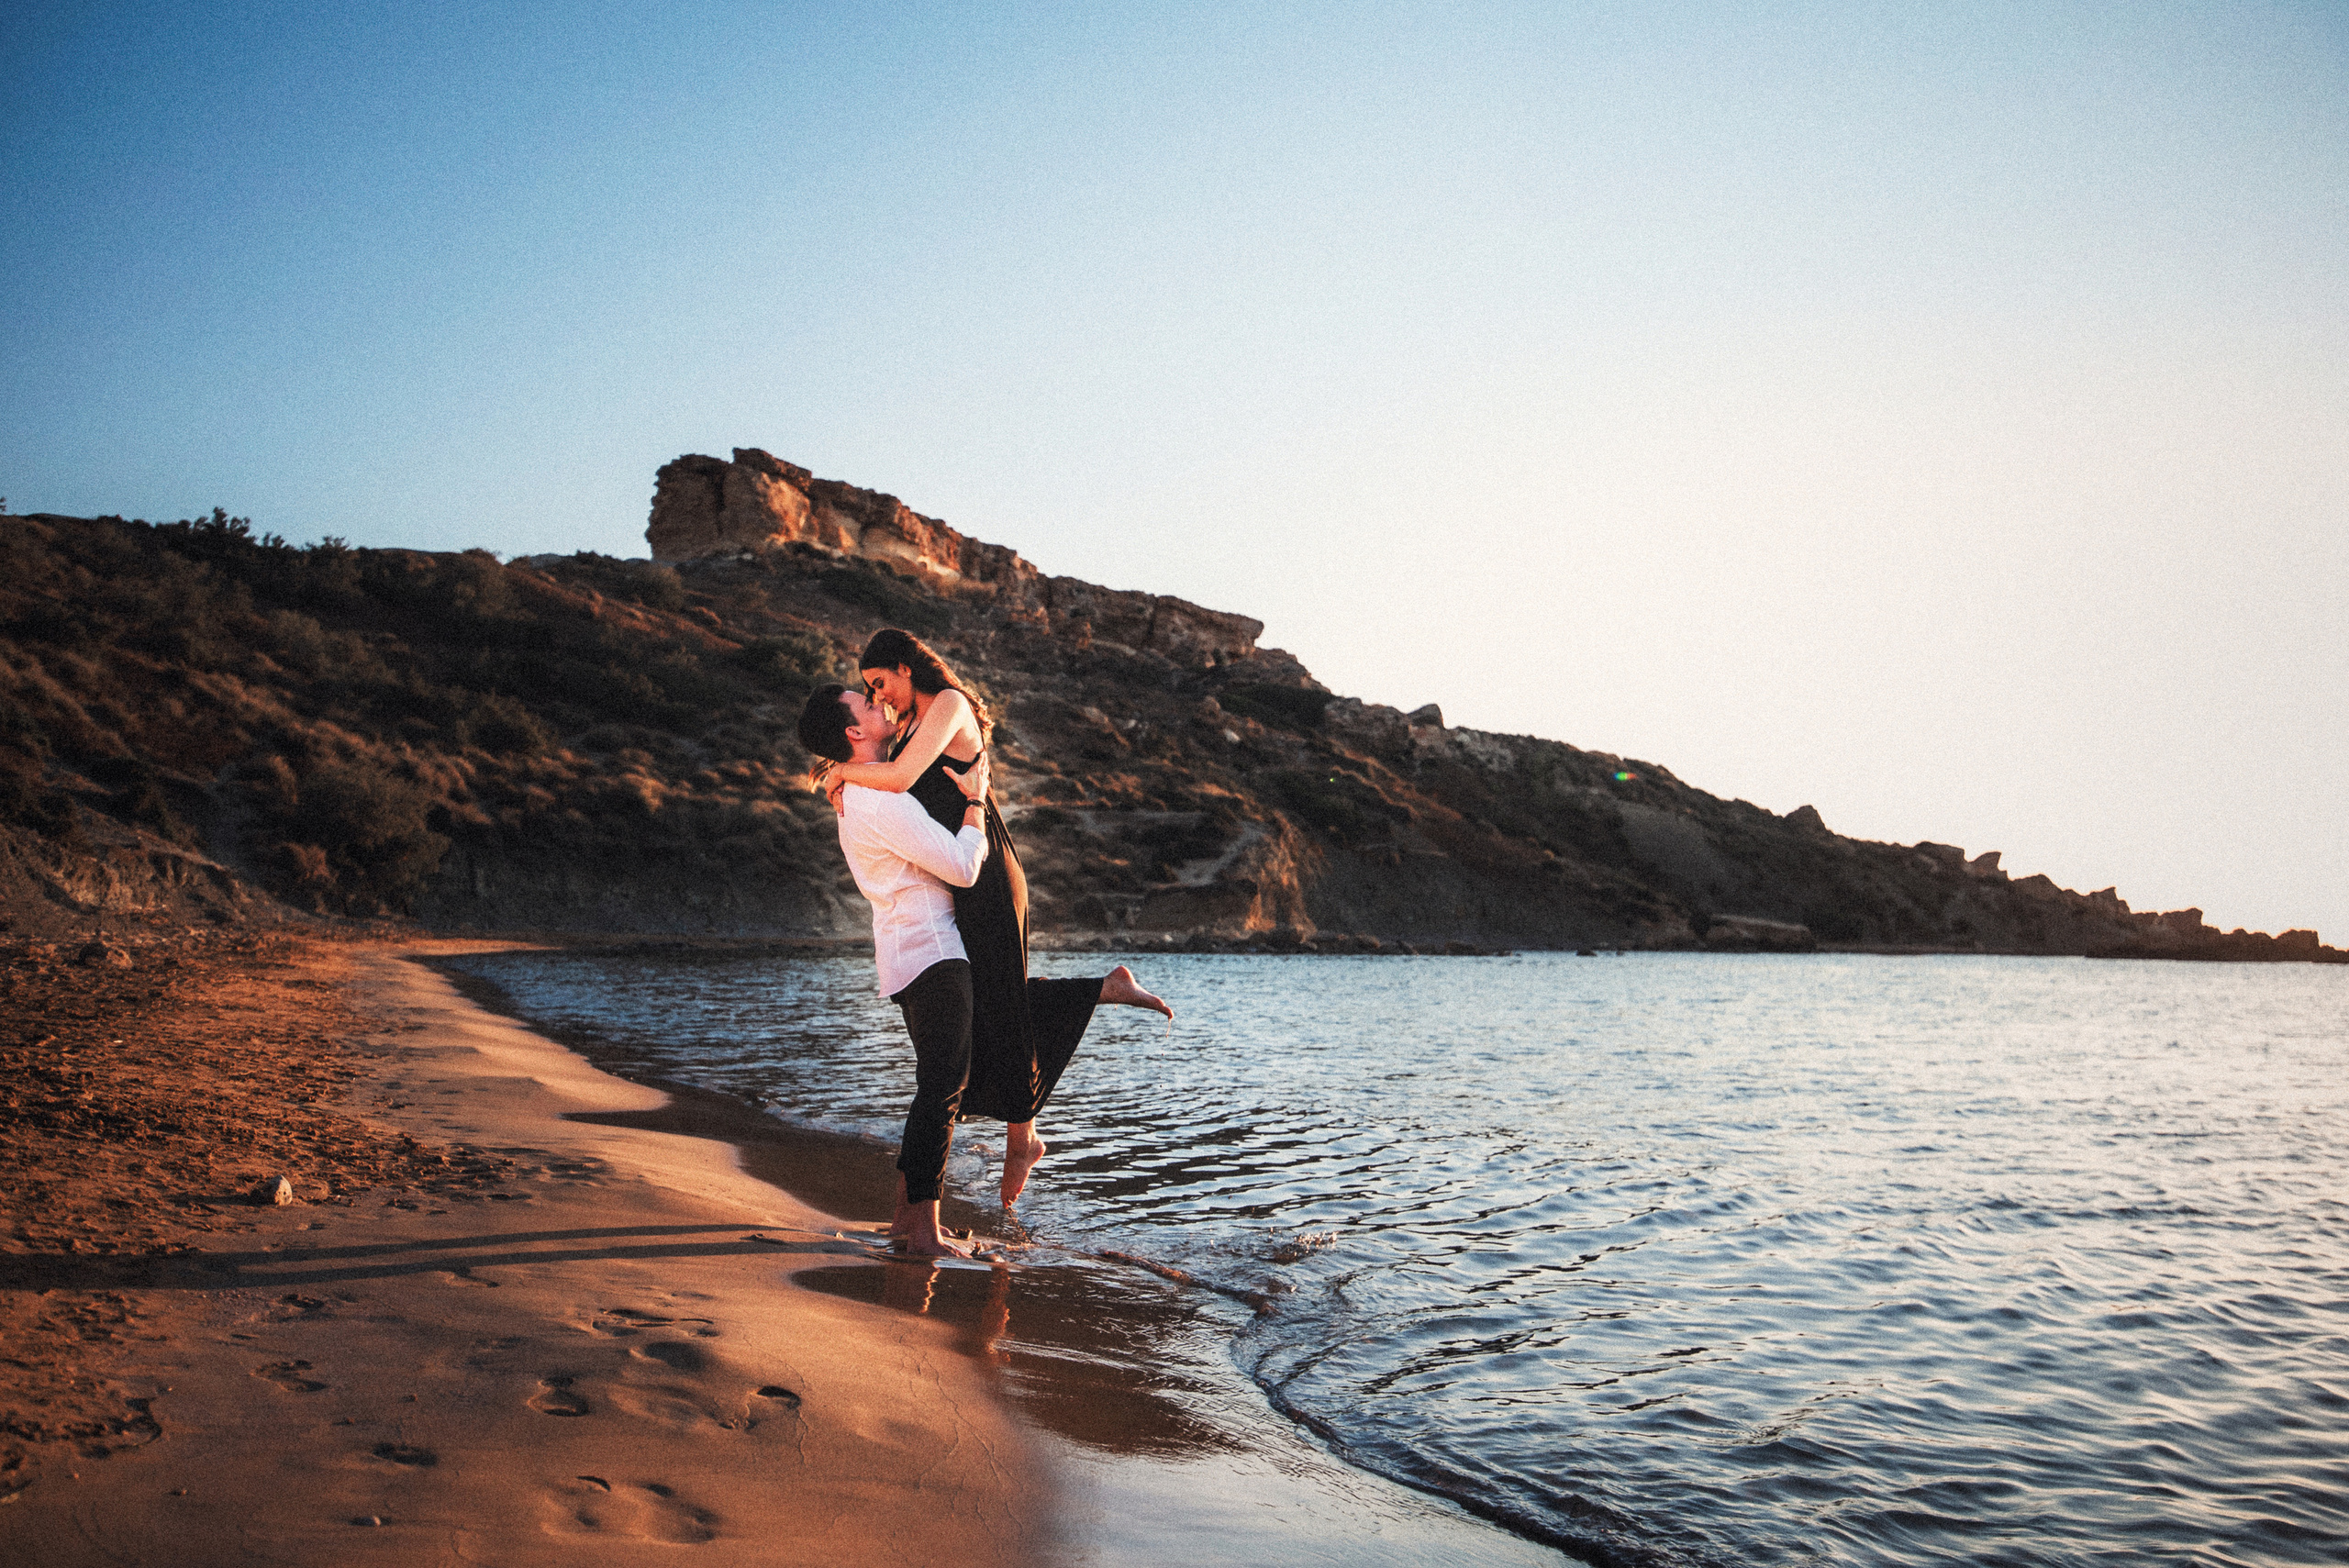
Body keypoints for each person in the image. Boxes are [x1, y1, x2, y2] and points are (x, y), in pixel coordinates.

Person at [825, 627, 1170, 1206]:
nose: (879, 696)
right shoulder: (907, 723)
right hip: (961, 867)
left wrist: (839, 773)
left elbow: (904, 780)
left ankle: (1023, 1139)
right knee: (992, 999)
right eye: (870, 692)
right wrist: (849, 773)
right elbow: (891, 784)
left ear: (907, 667)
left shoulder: (949, 704)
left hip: (987, 870)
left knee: (1002, 999)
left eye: (881, 682)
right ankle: (1102, 993)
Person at [797, 680, 995, 1258]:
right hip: (933, 951)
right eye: (866, 704)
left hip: (907, 953)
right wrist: (976, 802)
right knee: (942, 1088)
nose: (880, 702)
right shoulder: (883, 800)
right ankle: (924, 1229)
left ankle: (906, 1221)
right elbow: (962, 868)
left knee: (936, 1085)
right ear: (854, 732)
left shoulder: (860, 794)